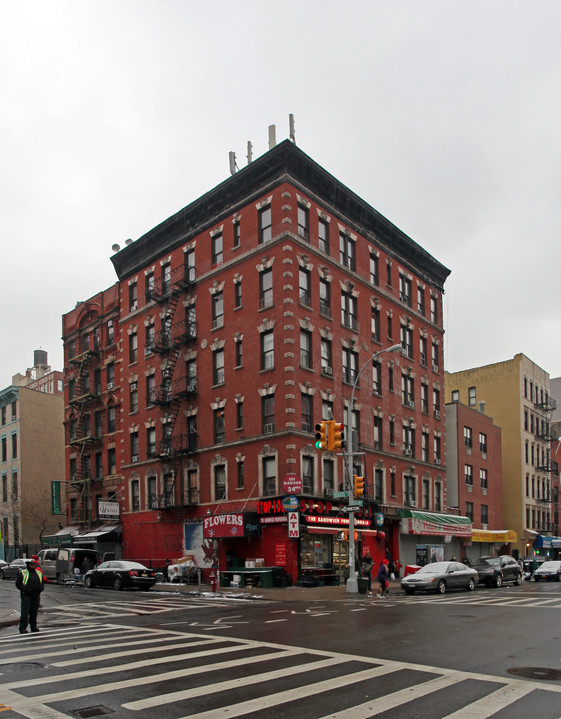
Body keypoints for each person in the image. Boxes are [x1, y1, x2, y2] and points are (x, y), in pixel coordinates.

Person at [16, 557, 45, 634]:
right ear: (28, 565)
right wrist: (25, 590)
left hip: (36, 595)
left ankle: (33, 626)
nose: (33, 566)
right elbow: (18, 583)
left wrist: (41, 588)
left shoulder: (38, 573)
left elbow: (42, 582)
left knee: (34, 612)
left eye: (34, 564)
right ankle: (22, 628)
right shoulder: (23, 572)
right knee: (25, 612)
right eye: (31, 564)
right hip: (26, 595)